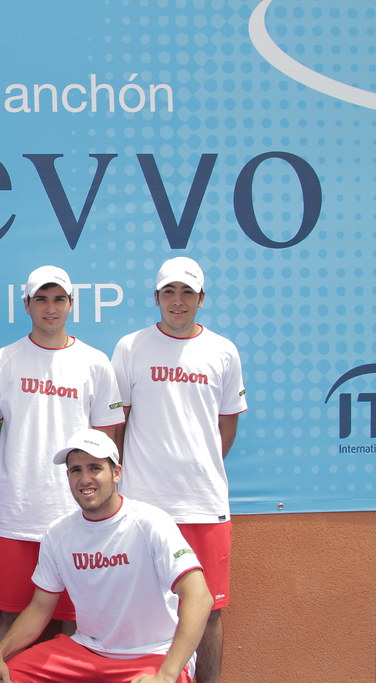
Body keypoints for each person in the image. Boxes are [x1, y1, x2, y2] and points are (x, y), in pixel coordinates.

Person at [0, 429, 214, 683]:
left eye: (94, 468)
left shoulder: (151, 523)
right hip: (85, 651)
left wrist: (166, 676)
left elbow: (199, 597)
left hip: (152, 654)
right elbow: (40, 608)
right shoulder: (58, 533)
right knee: (5, 677)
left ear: (116, 473)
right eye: (76, 470)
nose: (84, 479)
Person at [111, 256, 247, 683]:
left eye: (187, 292)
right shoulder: (130, 347)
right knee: (140, 609)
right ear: (156, 298)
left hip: (204, 505)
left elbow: (227, 426)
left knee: (208, 612)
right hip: (143, 505)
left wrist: (199, 466)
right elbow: (116, 425)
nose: (178, 300)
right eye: (169, 291)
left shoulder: (223, 351)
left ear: (201, 299)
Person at [0, 266, 124, 643]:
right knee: (9, 616)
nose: (50, 307)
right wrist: (13, 469)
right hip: (14, 515)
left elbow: (106, 440)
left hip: (76, 515)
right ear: (26, 304)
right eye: (41, 299)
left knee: (75, 620)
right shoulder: (2, 362)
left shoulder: (95, 363)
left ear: (71, 303)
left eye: (59, 299)